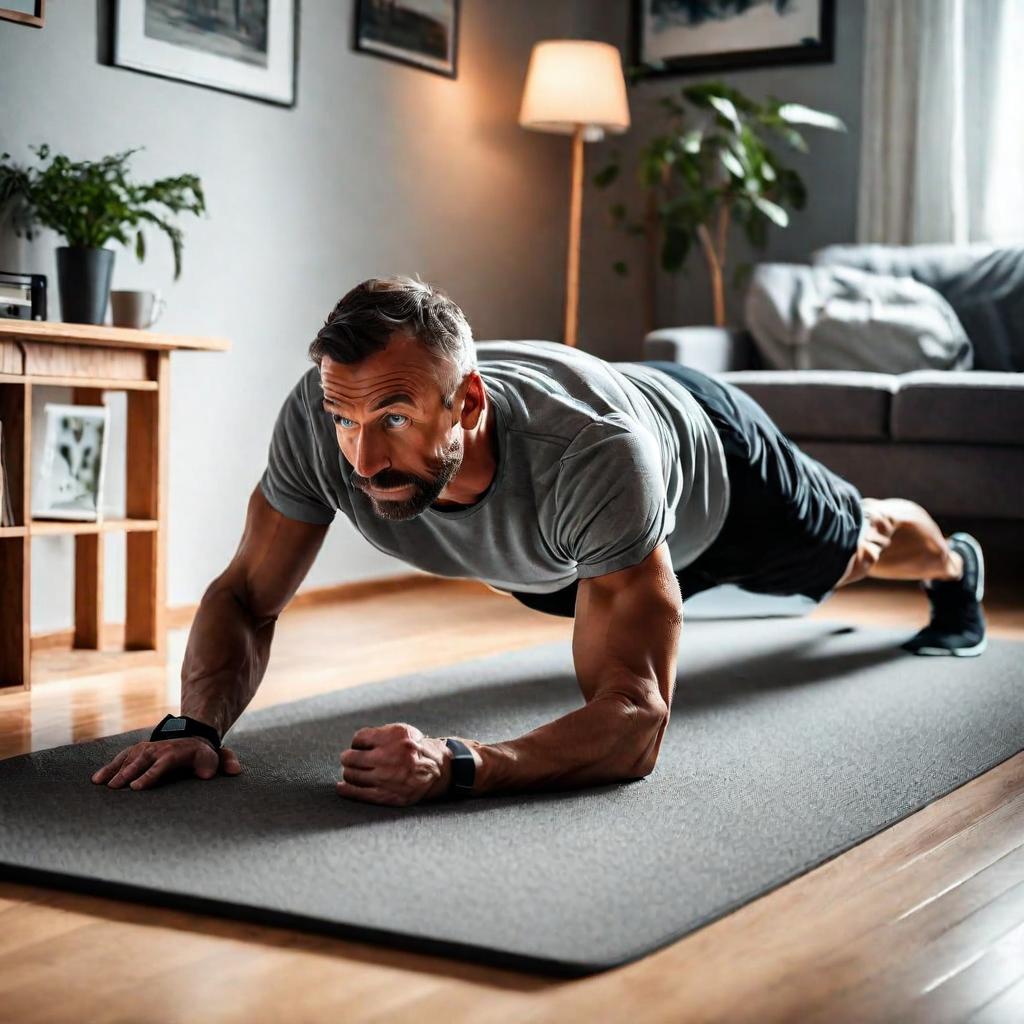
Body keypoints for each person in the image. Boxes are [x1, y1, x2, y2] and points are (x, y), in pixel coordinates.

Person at [91, 275, 986, 805]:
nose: (363, 456)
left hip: (711, 462)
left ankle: (953, 562)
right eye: (346, 418)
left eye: (395, 418)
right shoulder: (322, 423)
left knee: (854, 550)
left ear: (466, 403)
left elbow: (636, 724)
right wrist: (196, 724)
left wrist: (464, 764)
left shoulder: (592, 455)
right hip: (561, 537)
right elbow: (246, 593)